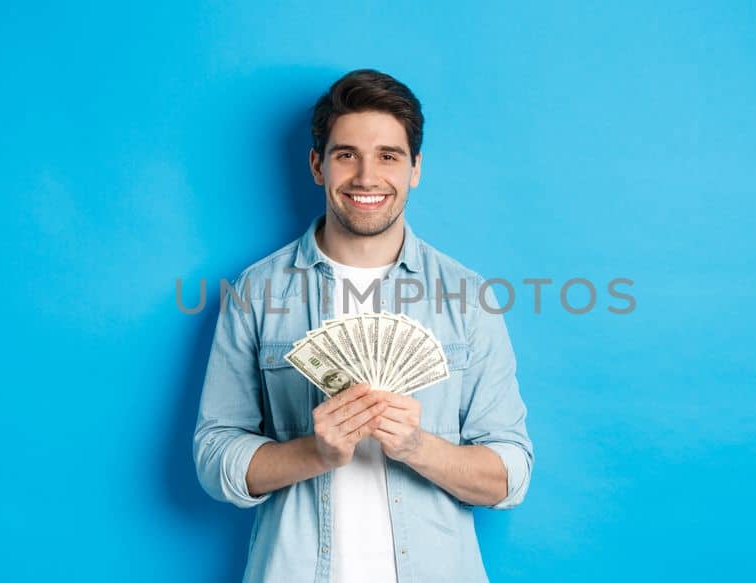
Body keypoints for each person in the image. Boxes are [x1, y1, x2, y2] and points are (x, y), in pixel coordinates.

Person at [193, 68, 533, 583]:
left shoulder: (468, 298)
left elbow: (510, 476)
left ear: (415, 168)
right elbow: (215, 455)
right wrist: (315, 451)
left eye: (389, 156)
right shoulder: (255, 292)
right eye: (346, 154)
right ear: (317, 165)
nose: (367, 177)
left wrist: (419, 447)